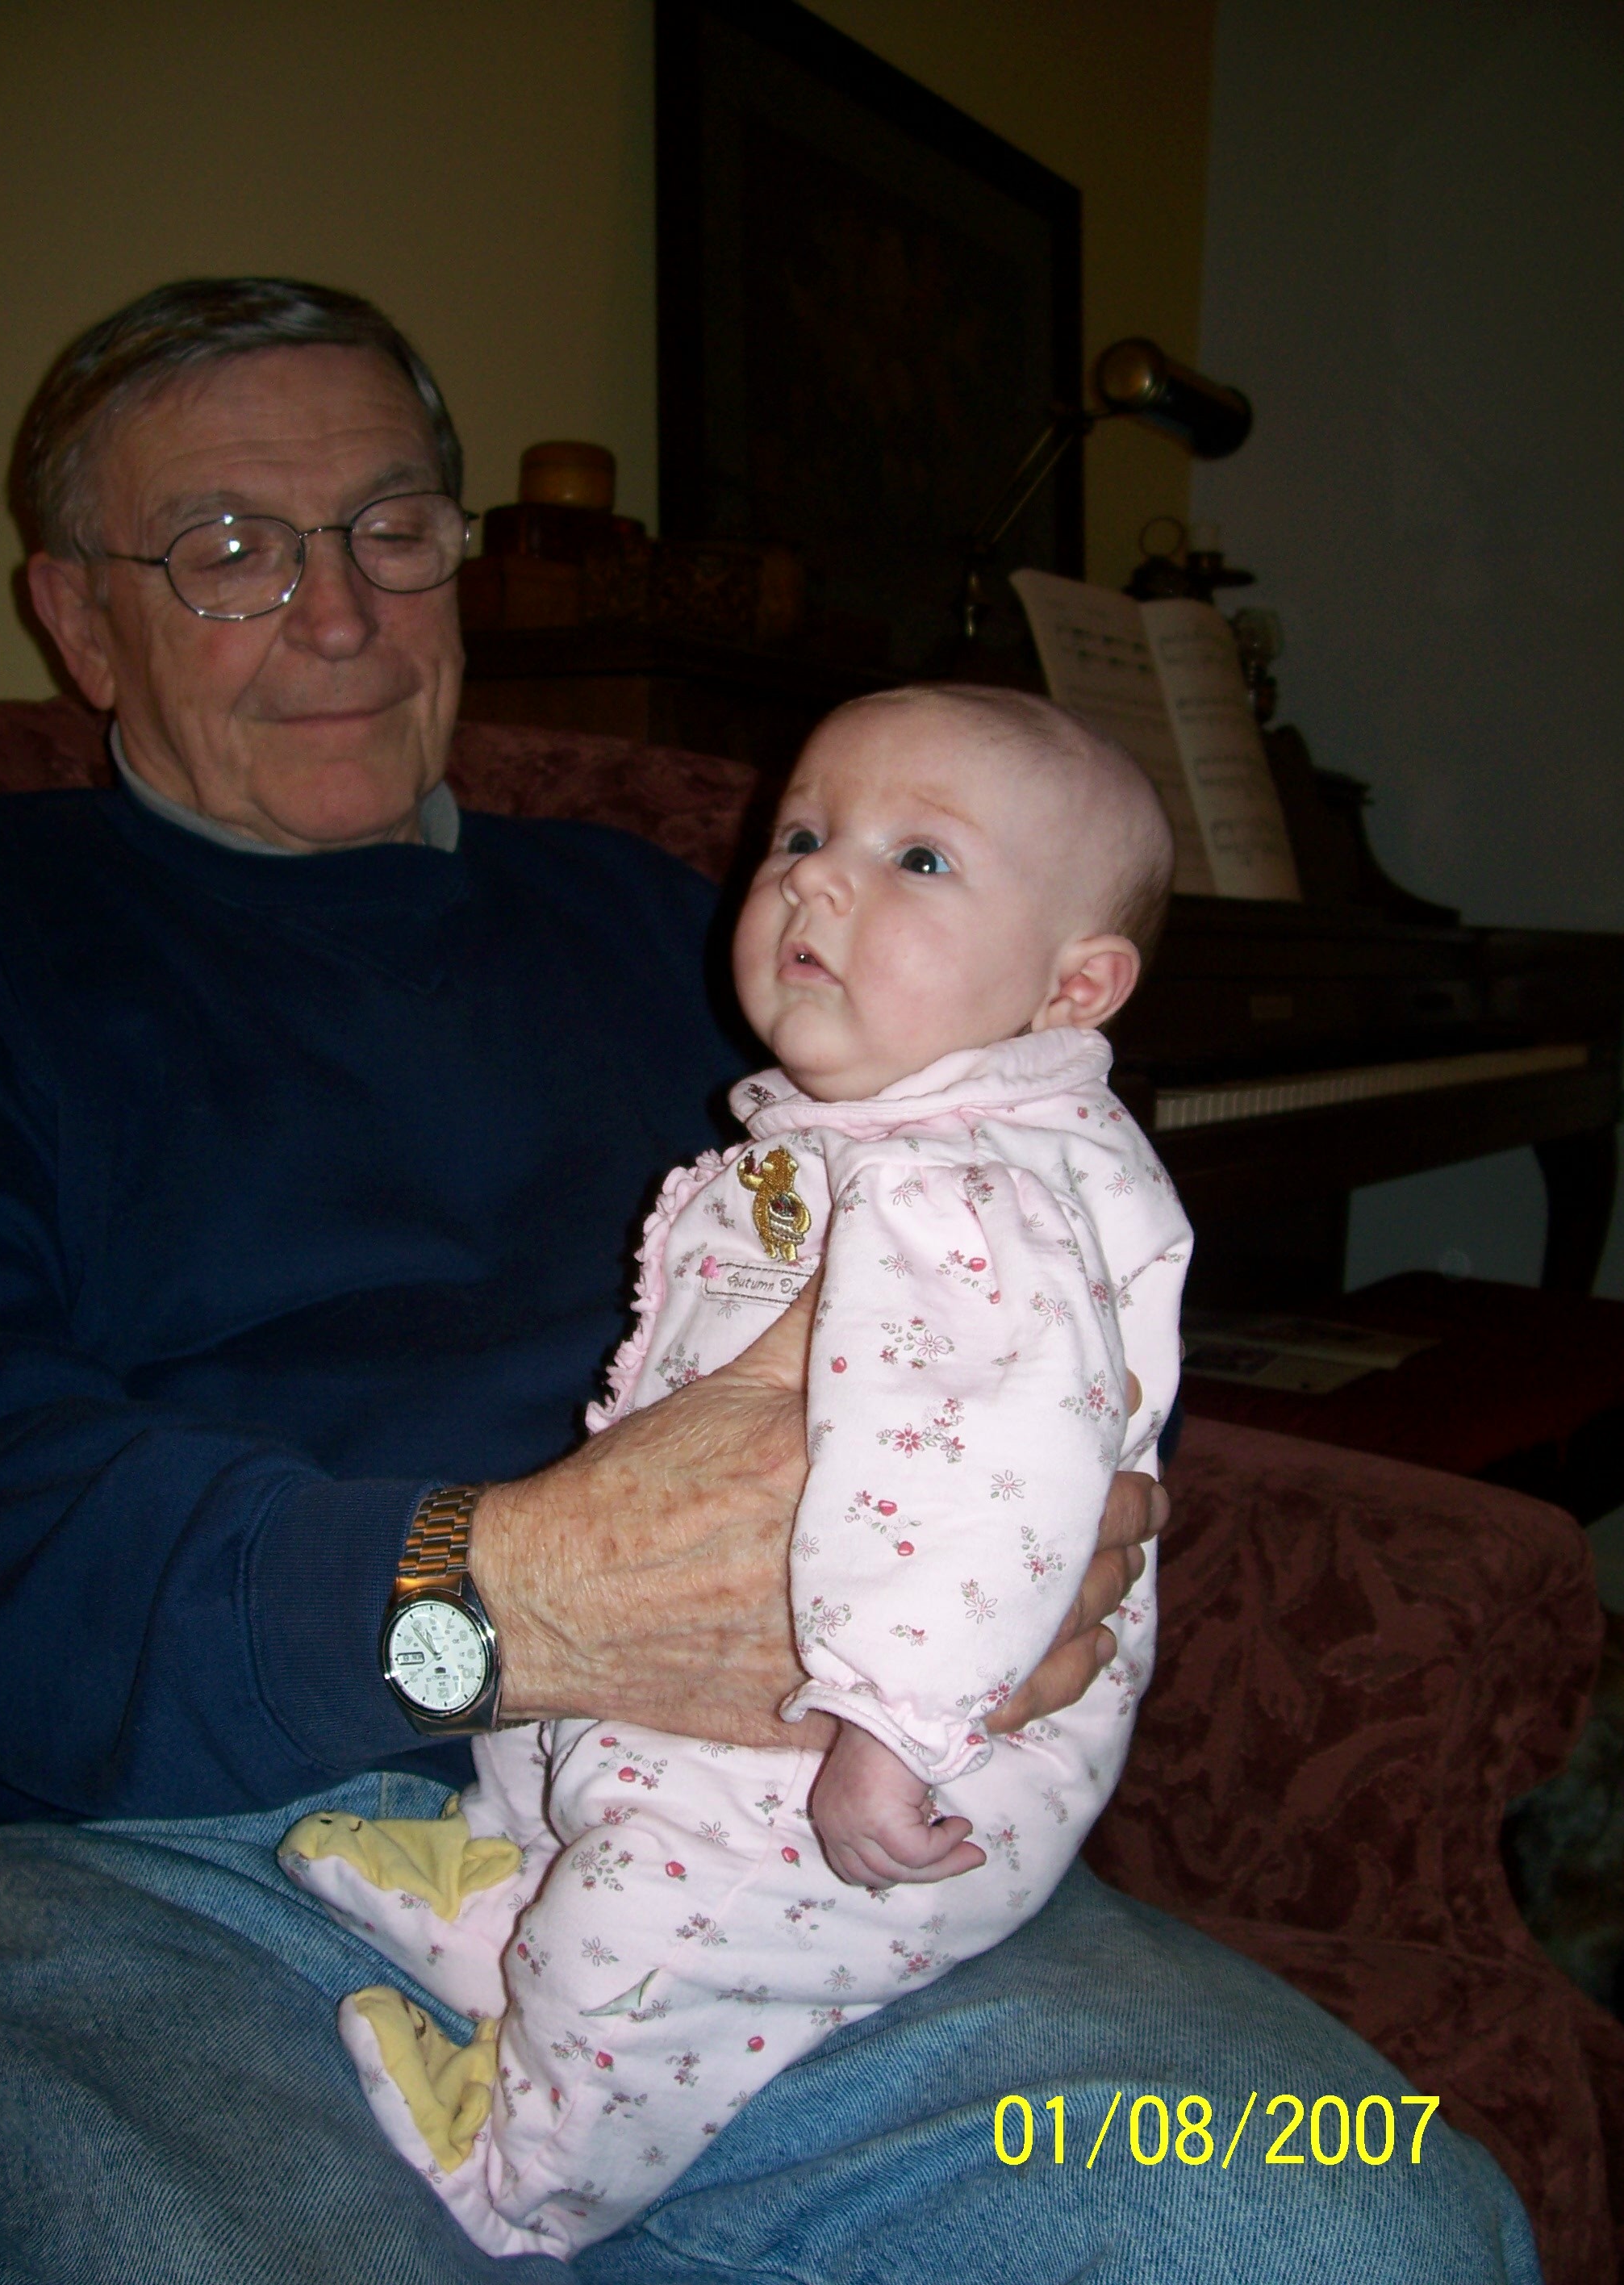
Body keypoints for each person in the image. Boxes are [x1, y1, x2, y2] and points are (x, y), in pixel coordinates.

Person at [0, 278, 1541, 2285]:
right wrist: (506, 1604)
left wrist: (1006, 1547)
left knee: (1359, 2221)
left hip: (794, 1834)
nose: (337, 615)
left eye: (392, 529)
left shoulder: (677, 922)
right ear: (78, 619)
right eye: (231, 548)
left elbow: (1014, 1253)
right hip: (145, 1852)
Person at [284, 685, 1193, 2258]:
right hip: (749, 1687)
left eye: (919, 860)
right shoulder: (876, 1141)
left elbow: (992, 1484)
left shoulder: (967, 1190)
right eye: (800, 835)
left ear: (1072, 989)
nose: (817, 878)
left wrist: (893, 1727)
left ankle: (528, 2172)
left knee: (654, 1919)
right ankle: (507, 1913)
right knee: (567, 1755)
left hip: (902, 1750)